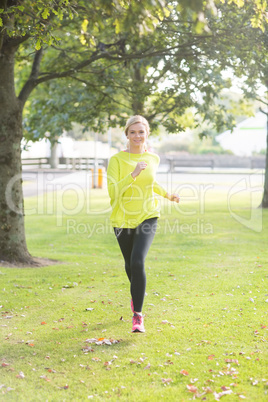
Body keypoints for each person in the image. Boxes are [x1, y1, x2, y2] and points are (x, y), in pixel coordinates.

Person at [107, 115, 180, 333]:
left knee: (138, 261)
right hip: (122, 218)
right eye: (133, 132)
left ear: (147, 134)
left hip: (148, 214)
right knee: (130, 265)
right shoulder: (117, 160)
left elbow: (152, 183)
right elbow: (113, 191)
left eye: (141, 132)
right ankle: (136, 294)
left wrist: (167, 194)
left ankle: (137, 315)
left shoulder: (153, 158)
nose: (137, 136)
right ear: (127, 134)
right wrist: (133, 174)